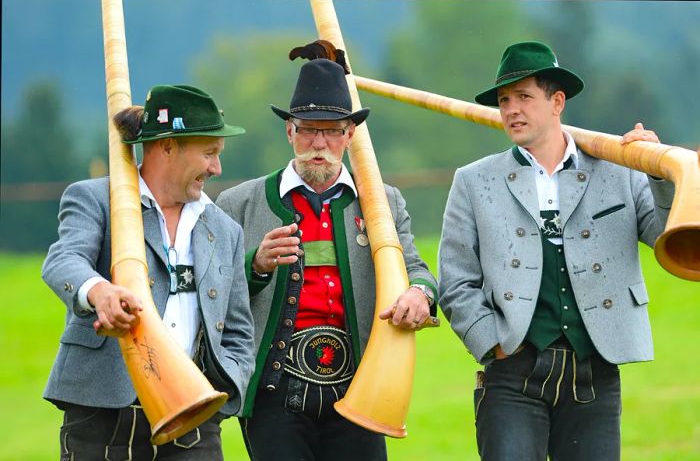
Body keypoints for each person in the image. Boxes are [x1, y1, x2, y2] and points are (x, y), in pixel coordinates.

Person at [437, 41, 674, 461]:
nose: (511, 109)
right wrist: (492, 343)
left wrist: (659, 172)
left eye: (524, 97)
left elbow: (666, 238)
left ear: (557, 102)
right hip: (512, 375)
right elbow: (456, 280)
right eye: (504, 100)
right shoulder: (474, 181)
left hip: (596, 372)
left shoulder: (620, 169)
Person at [215, 57, 438, 460]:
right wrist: (255, 266)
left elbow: (416, 270)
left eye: (332, 132)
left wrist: (421, 293)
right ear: (289, 131)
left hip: (361, 388)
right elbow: (213, 293)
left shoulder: (382, 203)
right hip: (272, 393)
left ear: (349, 134)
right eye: (309, 131)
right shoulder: (238, 203)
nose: (319, 144)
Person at [42, 84, 255, 460]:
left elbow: (238, 331)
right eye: (209, 153)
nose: (216, 168)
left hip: (195, 421)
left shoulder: (226, 230)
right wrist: (99, 292)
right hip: (103, 416)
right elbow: (63, 261)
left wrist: (221, 394)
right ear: (167, 147)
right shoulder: (94, 198)